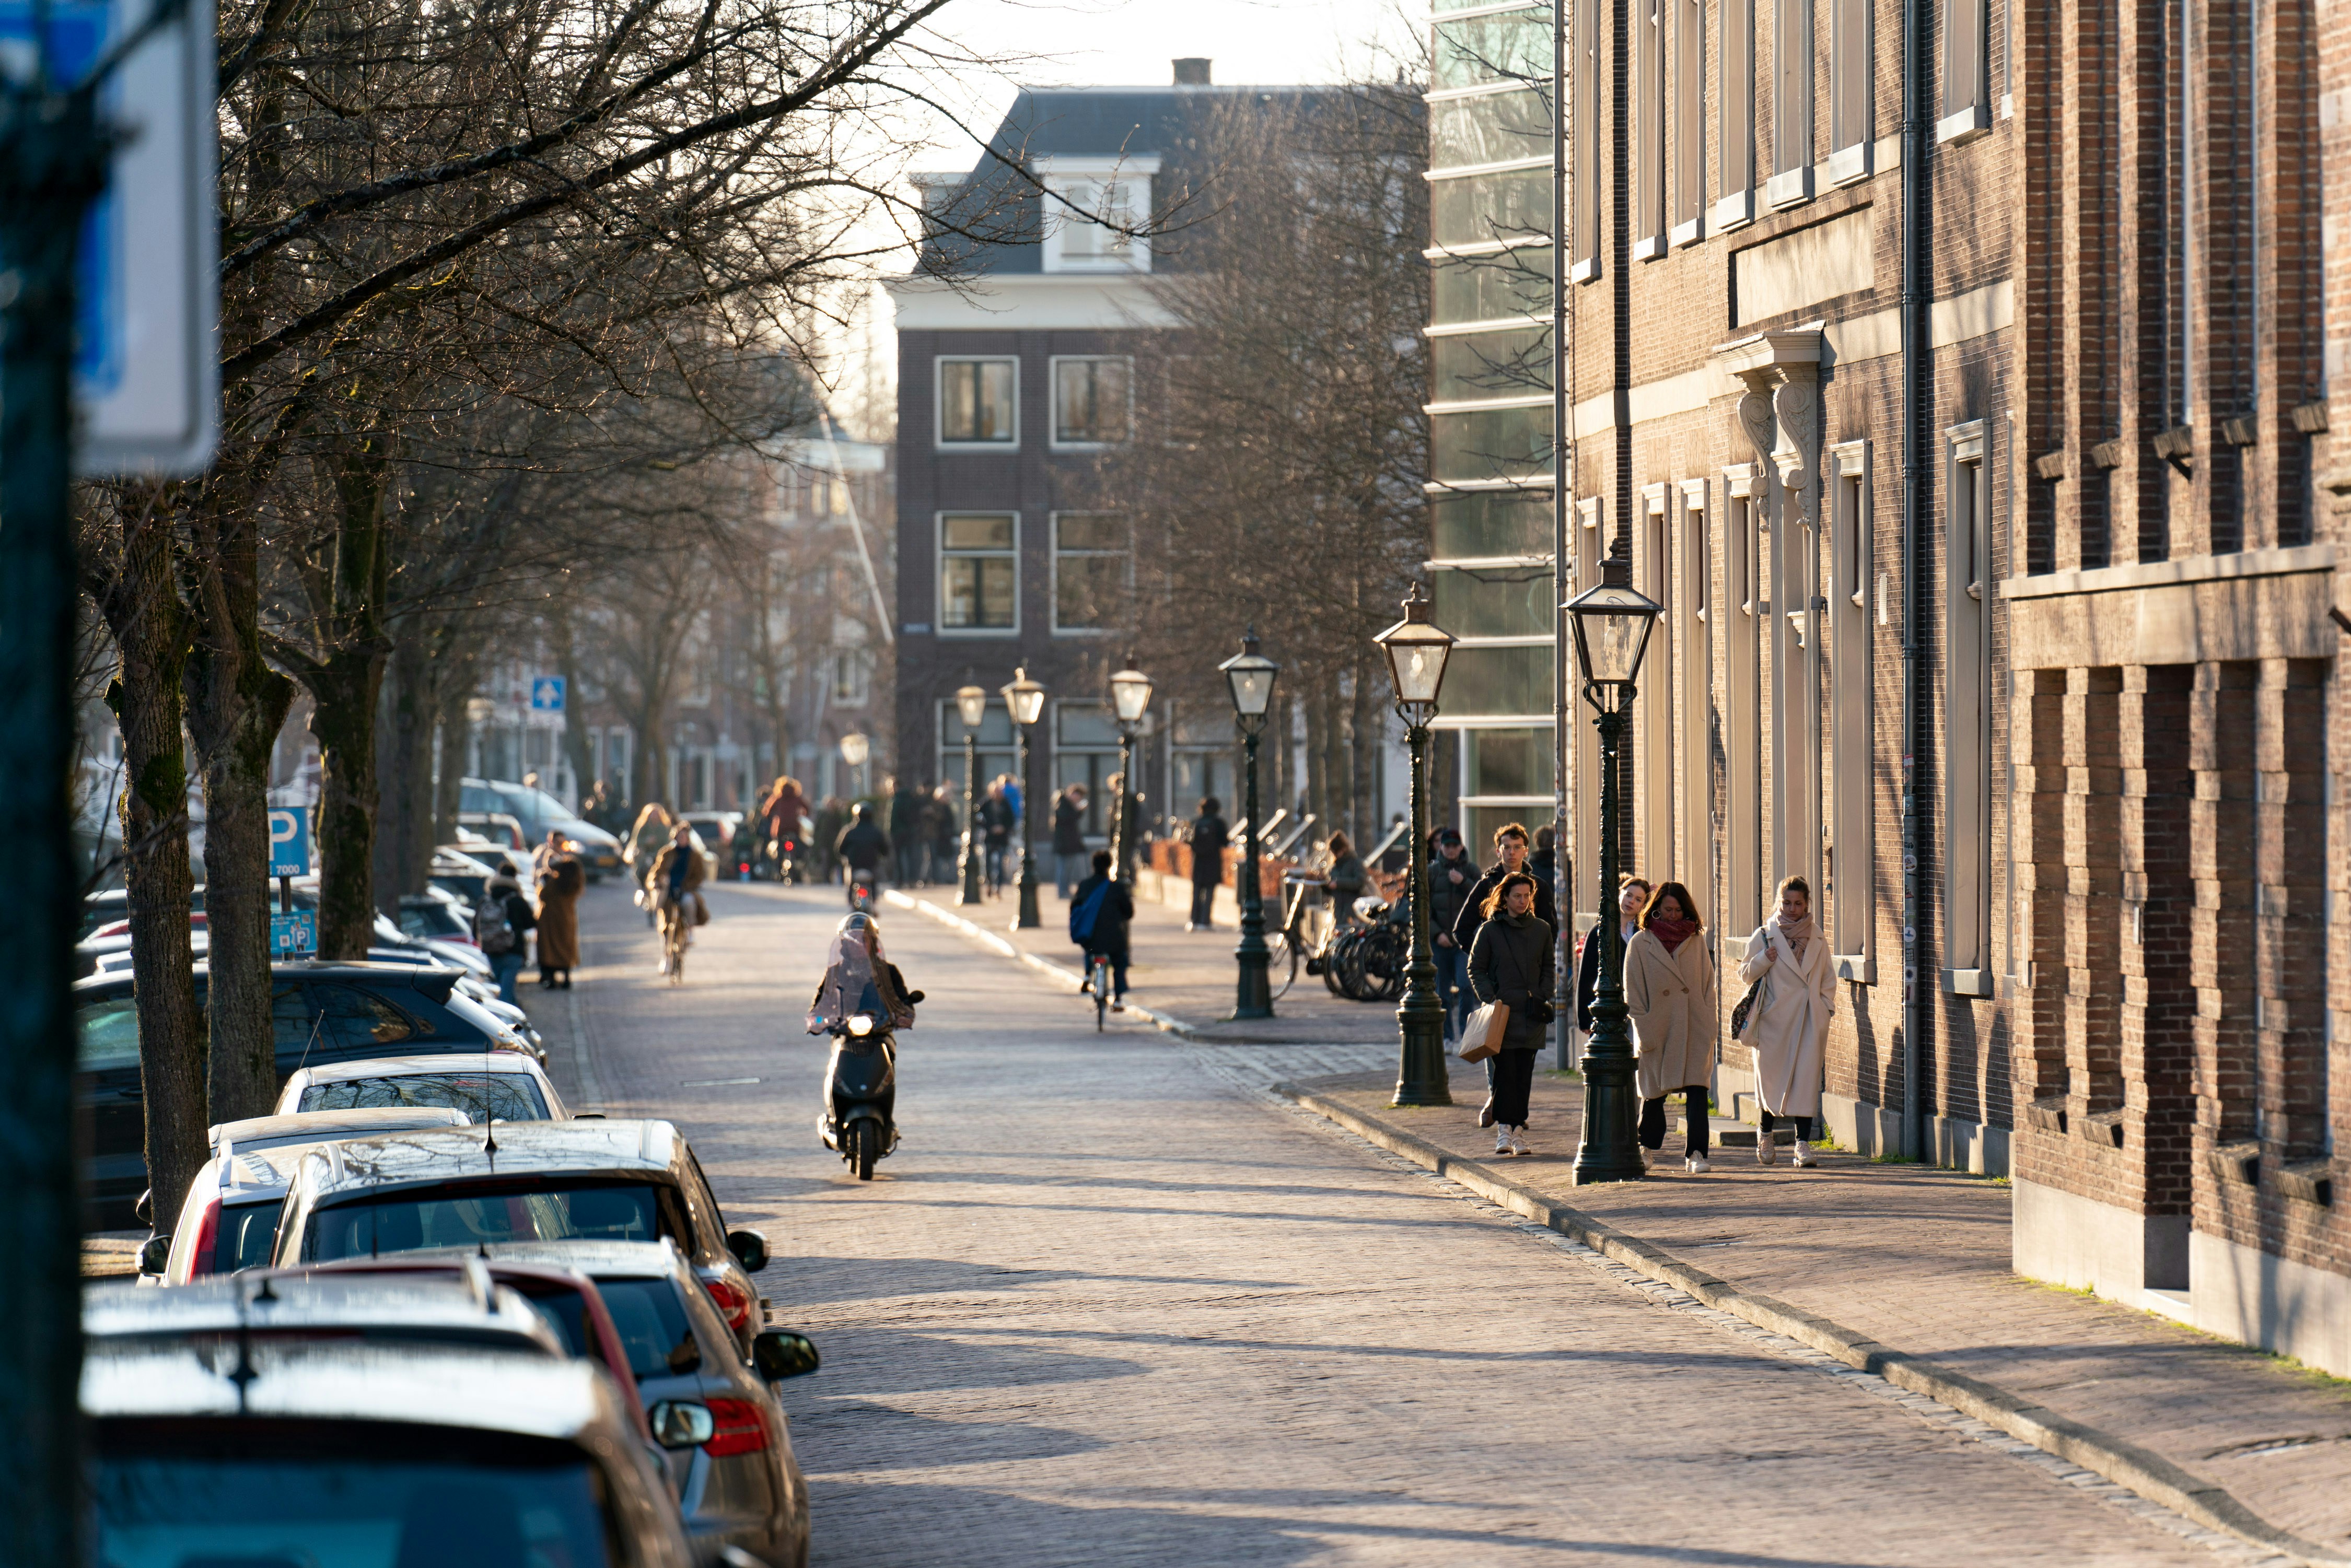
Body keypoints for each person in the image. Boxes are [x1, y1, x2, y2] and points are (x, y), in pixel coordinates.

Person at [1737, 875, 1837, 1167]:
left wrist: (1824, 1009)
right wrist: (1763, 960)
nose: (1792, 909)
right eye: (1787, 903)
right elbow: (1744, 973)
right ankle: (1765, 1132)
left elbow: (1828, 977)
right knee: (1772, 1081)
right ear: (1779, 903)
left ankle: (1802, 1145)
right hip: (1774, 1021)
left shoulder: (1817, 936)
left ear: (1807, 905)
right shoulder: (1765, 935)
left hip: (1808, 1018)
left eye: (1798, 903)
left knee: (1805, 1081)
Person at [1626, 881, 1718, 1174]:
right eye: (1668, 909)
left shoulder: (1696, 940)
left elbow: (1708, 986)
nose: (1674, 915)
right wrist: (1644, 1026)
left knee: (1697, 1093)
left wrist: (1708, 1020)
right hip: (1658, 1026)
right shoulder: (1641, 943)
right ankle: (1647, 1147)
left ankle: (1697, 1154)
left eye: (1679, 910)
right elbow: (1634, 992)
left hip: (1693, 1025)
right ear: (1655, 909)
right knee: (1654, 1093)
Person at [1466, 871, 1555, 1157]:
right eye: (1516, 896)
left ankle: (1518, 1131)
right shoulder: (1490, 930)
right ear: (1505, 898)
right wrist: (1491, 999)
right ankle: (1504, 1131)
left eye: (1527, 896)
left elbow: (1550, 967)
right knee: (1504, 1073)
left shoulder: (1541, 929)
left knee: (1524, 1074)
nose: (1522, 901)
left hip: (1531, 1014)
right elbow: (1476, 967)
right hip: (1501, 1016)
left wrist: (1542, 994)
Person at [1452, 822, 1558, 956]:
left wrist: (1538, 958)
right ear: (1498, 852)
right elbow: (1462, 930)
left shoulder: (1538, 886)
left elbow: (1551, 930)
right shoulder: (1487, 885)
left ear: (1526, 851)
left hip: (1530, 966)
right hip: (1496, 970)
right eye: (1507, 847)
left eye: (1517, 847)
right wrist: (1485, 957)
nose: (1512, 852)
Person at [1576, 875, 1653, 1037]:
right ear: (1620, 894)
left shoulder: (1645, 934)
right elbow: (1587, 975)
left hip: (1637, 1008)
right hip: (1606, 1009)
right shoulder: (1600, 931)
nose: (1631, 901)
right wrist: (1584, 1017)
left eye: (1639, 899)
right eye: (1629, 895)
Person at [1067, 849, 1136, 1010]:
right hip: (1114, 939)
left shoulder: (1084, 885)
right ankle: (1118, 999)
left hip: (1091, 937)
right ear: (1109, 866)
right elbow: (1129, 912)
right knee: (1120, 961)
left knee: (1089, 947)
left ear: (1093, 866)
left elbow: (1074, 908)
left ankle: (1086, 975)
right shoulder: (1117, 888)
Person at [1426, 827, 1474, 1038]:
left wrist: (1464, 883)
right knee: (1442, 993)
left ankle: (1465, 1034)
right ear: (1441, 847)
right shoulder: (1432, 872)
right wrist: (1437, 934)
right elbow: (1423, 908)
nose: (1451, 850)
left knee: (1466, 987)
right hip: (1441, 943)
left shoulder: (1471, 870)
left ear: (1461, 847)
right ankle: (1446, 1037)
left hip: (1464, 943)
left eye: (1455, 846)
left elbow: (1483, 900)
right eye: (1447, 846)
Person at [647, 821, 707, 979]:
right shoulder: (666, 853)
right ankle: (666, 958)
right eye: (679, 836)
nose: (682, 839)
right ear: (675, 837)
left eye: (685, 837)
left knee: (689, 903)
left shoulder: (695, 855)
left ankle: (690, 931)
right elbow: (656, 871)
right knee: (665, 927)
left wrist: (687, 886)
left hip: (685, 890)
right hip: (668, 891)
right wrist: (657, 881)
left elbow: (700, 876)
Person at [477, 857, 537, 1005]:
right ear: (515, 877)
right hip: (513, 950)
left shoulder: (485, 899)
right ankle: (505, 1020)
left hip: (491, 949)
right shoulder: (516, 899)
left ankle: (515, 1016)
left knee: (503, 987)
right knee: (506, 991)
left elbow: (476, 927)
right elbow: (531, 923)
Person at [533, 835, 585, 990]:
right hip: (567, 920)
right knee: (566, 946)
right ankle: (566, 975)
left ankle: (549, 976)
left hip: (550, 921)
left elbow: (543, 896)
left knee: (550, 948)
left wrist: (545, 880)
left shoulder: (554, 885)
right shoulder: (573, 885)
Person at [1185, 797, 1229, 930]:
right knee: (1210, 892)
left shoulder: (1195, 822)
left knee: (1197, 892)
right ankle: (1205, 922)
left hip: (1198, 862)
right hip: (1213, 861)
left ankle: (1194, 920)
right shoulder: (1219, 823)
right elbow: (1225, 842)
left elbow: (1188, 841)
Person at [1321, 832, 1368, 926]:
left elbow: (1359, 882)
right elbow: (1331, 892)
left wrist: (1338, 884)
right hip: (1339, 913)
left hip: (1353, 912)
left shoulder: (1356, 863)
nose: (1334, 855)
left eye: (1336, 852)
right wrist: (1323, 884)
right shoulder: (1334, 867)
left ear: (1344, 849)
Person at [979, 779, 1016, 896]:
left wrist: (1003, 828)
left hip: (1002, 839)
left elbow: (1011, 820)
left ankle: (998, 889)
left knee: (1001, 865)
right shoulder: (986, 803)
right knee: (988, 865)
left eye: (999, 792)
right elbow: (977, 817)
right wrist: (989, 828)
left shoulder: (1006, 804)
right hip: (989, 838)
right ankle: (990, 883)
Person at [1053, 784, 1090, 898]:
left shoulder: (1066, 804)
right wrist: (1078, 810)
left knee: (1067, 868)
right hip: (1065, 843)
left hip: (1069, 842)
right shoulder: (1063, 804)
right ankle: (1062, 891)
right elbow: (1067, 820)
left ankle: (1065, 890)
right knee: (1064, 868)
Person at [887, 777, 924, 886]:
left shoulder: (897, 800)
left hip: (899, 832)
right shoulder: (909, 798)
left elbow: (895, 818)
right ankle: (911, 880)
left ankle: (901, 880)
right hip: (909, 831)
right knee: (910, 856)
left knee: (900, 858)